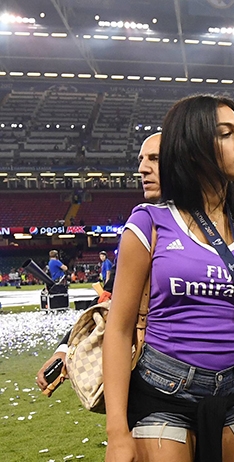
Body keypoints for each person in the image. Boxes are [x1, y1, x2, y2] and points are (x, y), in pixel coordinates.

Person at [102, 95, 234, 462]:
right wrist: (117, 432)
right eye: (226, 133)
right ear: (192, 150)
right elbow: (119, 330)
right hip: (163, 394)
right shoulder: (148, 223)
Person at [36, 132, 162, 392]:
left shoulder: (221, 227)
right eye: (141, 160)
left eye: (155, 158)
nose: (142, 168)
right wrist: (65, 348)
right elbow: (107, 300)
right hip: (156, 375)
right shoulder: (143, 228)